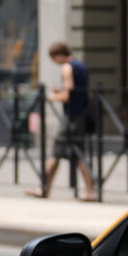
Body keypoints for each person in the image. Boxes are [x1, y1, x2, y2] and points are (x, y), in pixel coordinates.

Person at [26, 42, 97, 201]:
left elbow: (68, 95)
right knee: (78, 154)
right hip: (81, 115)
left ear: (58, 55)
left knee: (57, 152)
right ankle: (90, 190)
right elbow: (80, 91)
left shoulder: (67, 67)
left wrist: (53, 96)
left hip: (71, 117)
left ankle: (44, 188)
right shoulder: (81, 66)